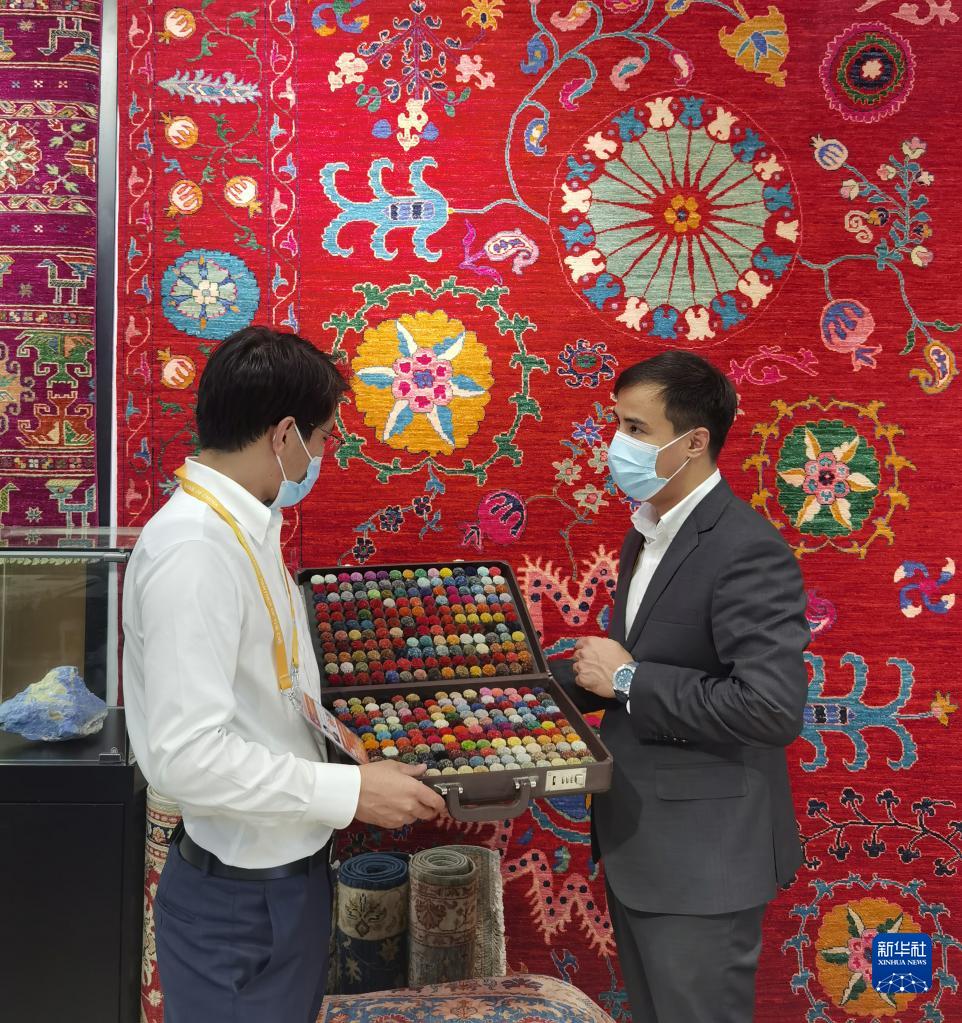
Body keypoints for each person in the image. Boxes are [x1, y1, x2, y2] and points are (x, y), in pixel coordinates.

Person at [123, 326, 444, 1023]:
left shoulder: (246, 527)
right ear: (285, 434)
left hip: (282, 877)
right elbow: (184, 756)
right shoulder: (194, 551)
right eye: (323, 438)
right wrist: (349, 791)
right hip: (238, 901)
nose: (322, 456)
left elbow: (270, 690)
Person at [551, 350, 809, 1023]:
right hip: (641, 845)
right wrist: (509, 685)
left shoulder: (745, 548)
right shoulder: (647, 532)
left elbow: (771, 707)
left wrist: (626, 677)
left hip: (704, 860)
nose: (617, 444)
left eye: (637, 429)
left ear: (694, 442)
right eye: (618, 424)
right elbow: (636, 669)